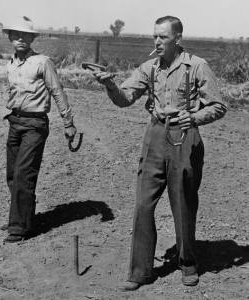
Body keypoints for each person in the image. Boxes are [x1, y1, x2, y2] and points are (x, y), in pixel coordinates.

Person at [93, 16, 226, 289]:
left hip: (185, 137)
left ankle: (188, 263)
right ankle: (140, 272)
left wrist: (196, 117)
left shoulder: (197, 66)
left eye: (163, 37)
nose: (157, 41)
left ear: (178, 38)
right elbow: (124, 98)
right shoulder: (149, 67)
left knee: (183, 204)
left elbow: (218, 106)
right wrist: (110, 84)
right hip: (154, 136)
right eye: (155, 36)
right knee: (143, 204)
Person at [1, 16, 77, 243]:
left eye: (26, 35)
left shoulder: (43, 62)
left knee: (24, 175)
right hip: (15, 123)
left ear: (33, 38)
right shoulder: (11, 63)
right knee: (13, 175)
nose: (20, 38)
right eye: (16, 35)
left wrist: (68, 122)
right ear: (10, 38)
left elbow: (57, 91)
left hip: (35, 125)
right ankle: (22, 217)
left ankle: (19, 227)